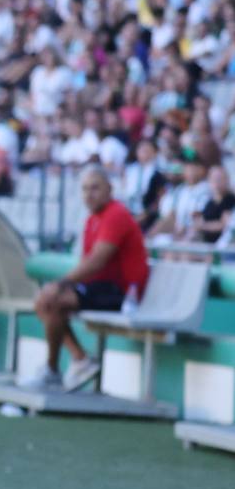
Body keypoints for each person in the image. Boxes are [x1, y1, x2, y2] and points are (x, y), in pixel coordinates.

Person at [27, 166, 149, 391]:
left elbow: (96, 261)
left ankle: (58, 368)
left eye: (95, 188)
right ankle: (76, 359)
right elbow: (89, 263)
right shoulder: (93, 219)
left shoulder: (116, 214)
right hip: (100, 289)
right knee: (45, 301)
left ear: (109, 189)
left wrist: (60, 284)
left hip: (121, 294)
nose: (89, 194)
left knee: (50, 300)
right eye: (84, 189)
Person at [193, 166, 235, 244]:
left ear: (226, 180)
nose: (216, 181)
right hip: (205, 242)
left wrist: (203, 226)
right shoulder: (209, 201)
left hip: (220, 245)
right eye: (214, 178)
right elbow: (199, 220)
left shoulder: (230, 200)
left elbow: (224, 225)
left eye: (219, 178)